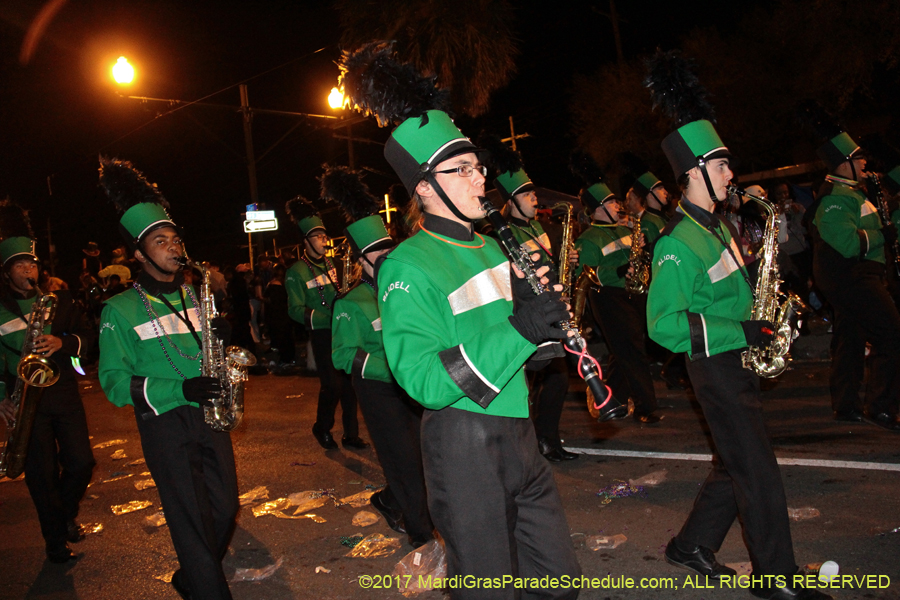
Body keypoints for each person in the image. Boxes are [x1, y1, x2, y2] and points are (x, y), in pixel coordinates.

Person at [341, 42, 581, 599]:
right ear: (425, 187)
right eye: (463, 169)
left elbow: (520, 351)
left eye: (479, 168)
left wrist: (548, 332)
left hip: (519, 433)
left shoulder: (497, 247)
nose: (480, 180)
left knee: (559, 584)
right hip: (464, 444)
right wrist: (522, 329)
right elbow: (424, 381)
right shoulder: (406, 265)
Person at [645, 50, 831, 600]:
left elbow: (733, 290)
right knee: (757, 470)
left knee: (734, 462)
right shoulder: (677, 243)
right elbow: (663, 324)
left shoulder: (719, 226)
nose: (731, 174)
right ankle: (775, 579)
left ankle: (690, 546)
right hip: (715, 365)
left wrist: (767, 313)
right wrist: (742, 333)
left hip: (738, 356)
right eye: (722, 165)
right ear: (694, 172)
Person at [97, 157, 238, 600]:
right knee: (190, 517)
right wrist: (179, 389)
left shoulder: (194, 294)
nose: (174, 248)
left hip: (207, 412)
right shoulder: (118, 309)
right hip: (163, 422)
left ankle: (192, 576)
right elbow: (113, 382)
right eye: (161, 241)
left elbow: (202, 352)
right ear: (139, 254)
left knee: (225, 507)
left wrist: (220, 339)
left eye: (175, 239)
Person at [324, 164, 434, 547]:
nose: (386, 258)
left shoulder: (403, 288)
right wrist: (386, 368)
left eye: (390, 251)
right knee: (401, 457)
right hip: (378, 387)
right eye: (377, 254)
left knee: (423, 453)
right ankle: (421, 535)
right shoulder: (350, 301)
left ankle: (390, 499)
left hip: (413, 380)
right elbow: (342, 354)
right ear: (361, 261)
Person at [0, 199, 95, 564]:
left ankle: (64, 514)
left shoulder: (60, 301)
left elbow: (88, 337)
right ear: (7, 273)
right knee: (41, 475)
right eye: (20, 265)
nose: (29, 270)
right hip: (24, 397)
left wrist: (62, 343)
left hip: (63, 391)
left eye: (32, 264)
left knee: (81, 462)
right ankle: (55, 540)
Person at [480, 134, 579, 461]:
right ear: (510, 201)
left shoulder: (540, 228)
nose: (535, 199)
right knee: (543, 379)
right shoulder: (500, 235)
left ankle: (545, 438)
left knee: (555, 378)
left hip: (549, 308)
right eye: (527, 194)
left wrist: (567, 263)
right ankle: (534, 442)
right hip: (525, 314)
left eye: (533, 192)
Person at [811, 129, 900, 431]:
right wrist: (882, 235)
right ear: (843, 163)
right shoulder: (835, 198)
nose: (864, 162)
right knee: (892, 334)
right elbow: (848, 243)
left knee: (850, 339)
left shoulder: (853, 193)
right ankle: (882, 407)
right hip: (852, 277)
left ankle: (847, 405)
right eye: (858, 158)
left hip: (858, 276)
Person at [572, 169, 660, 424]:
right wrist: (621, 270)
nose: (617, 206)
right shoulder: (588, 239)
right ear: (598, 209)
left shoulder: (625, 230)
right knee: (632, 350)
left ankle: (611, 399)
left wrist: (643, 249)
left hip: (633, 292)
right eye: (611, 203)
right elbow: (585, 272)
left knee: (623, 351)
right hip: (608, 298)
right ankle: (645, 407)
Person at [284, 196, 364, 450]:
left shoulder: (336, 264)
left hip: (344, 331)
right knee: (332, 385)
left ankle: (351, 435)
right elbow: (295, 310)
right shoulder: (296, 271)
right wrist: (328, 317)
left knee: (350, 385)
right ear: (306, 241)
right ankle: (322, 427)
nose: (323, 240)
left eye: (324, 236)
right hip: (322, 334)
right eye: (318, 237)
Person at [263, 264, 295, 366]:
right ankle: (290, 358)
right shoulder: (286, 284)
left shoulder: (273, 285)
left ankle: (284, 359)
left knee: (281, 337)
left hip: (276, 315)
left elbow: (268, 300)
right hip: (285, 313)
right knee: (287, 337)